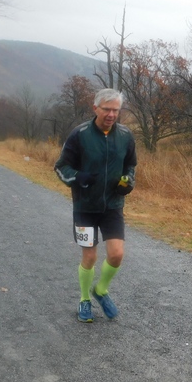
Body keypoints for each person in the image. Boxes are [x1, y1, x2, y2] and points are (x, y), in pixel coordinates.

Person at [54, 88, 137, 322]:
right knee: (89, 257)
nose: (111, 114)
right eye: (107, 109)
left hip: (113, 205)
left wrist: (128, 182)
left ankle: (100, 290)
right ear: (95, 108)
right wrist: (77, 177)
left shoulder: (125, 135)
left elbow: (130, 166)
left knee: (117, 254)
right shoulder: (79, 135)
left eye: (116, 110)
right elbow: (61, 167)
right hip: (85, 207)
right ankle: (84, 300)